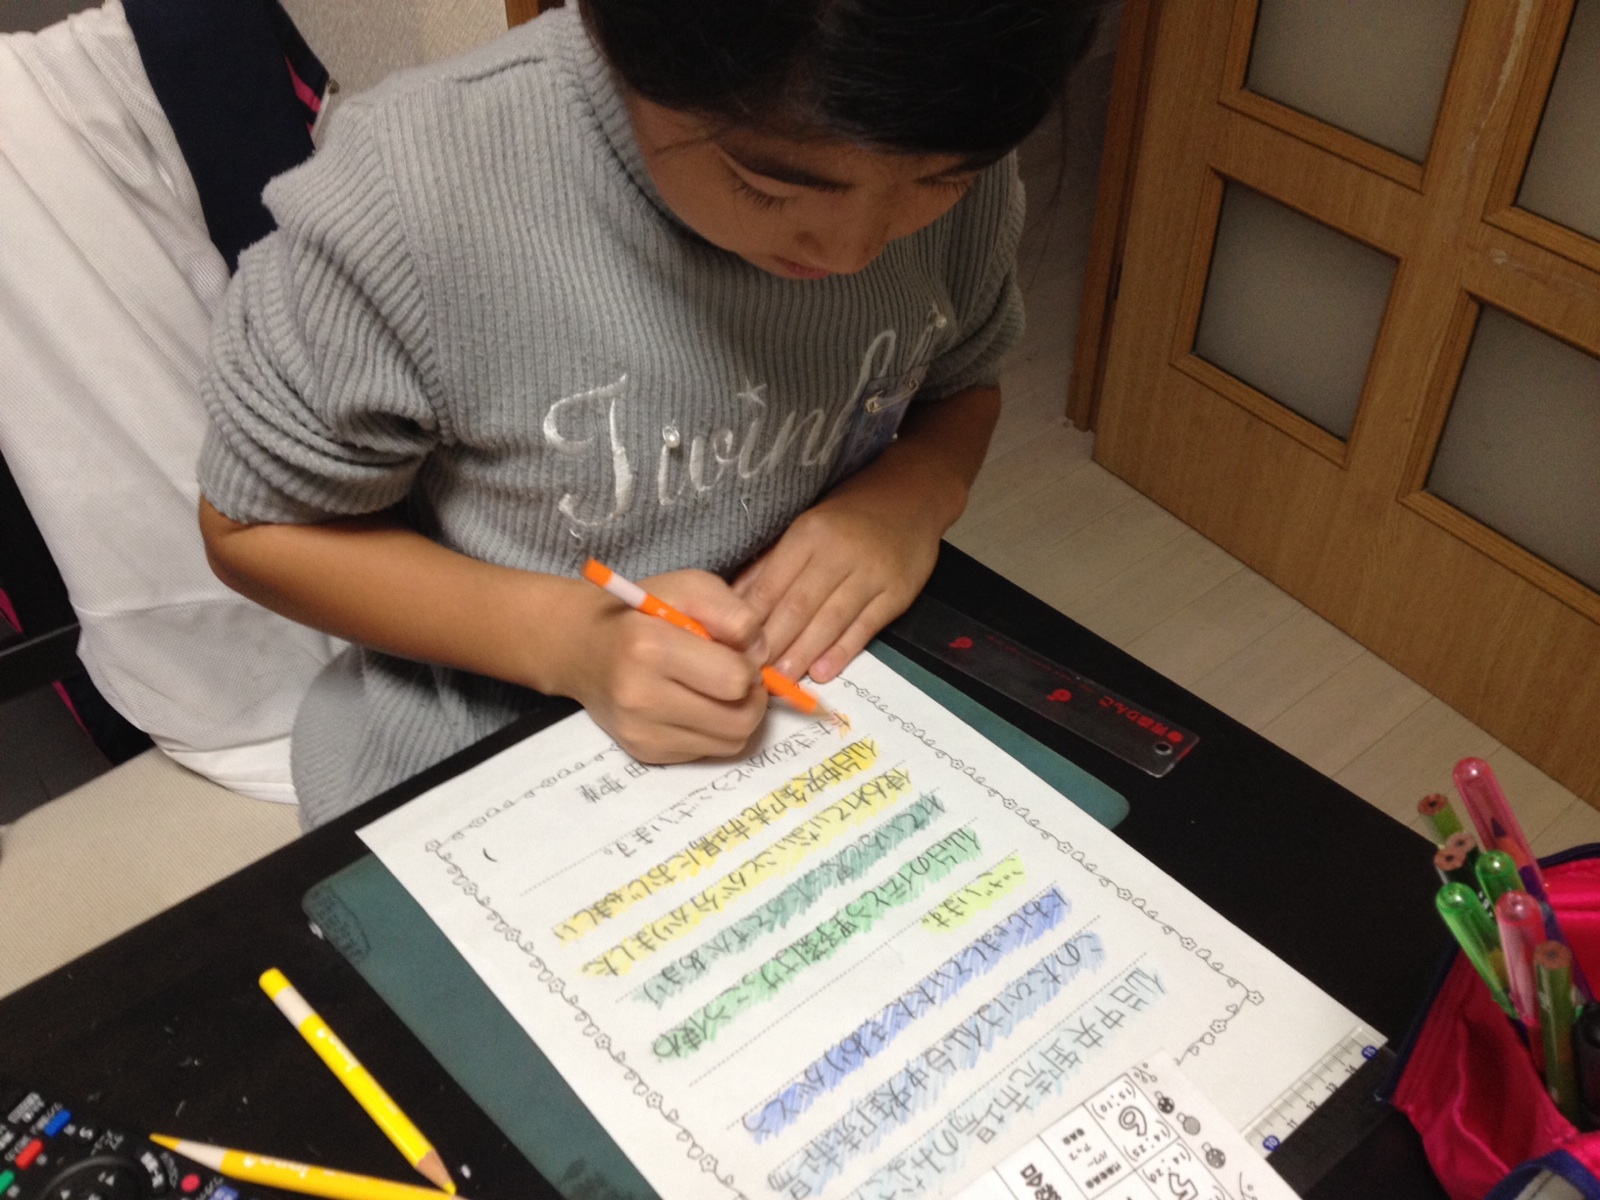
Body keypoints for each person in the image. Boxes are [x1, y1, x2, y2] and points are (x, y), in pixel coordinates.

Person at [197, 0, 1100, 828]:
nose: (856, 248)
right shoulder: (411, 193)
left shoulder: (945, 118)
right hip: (477, 768)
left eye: (943, 184)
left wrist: (909, 496)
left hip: (802, 752)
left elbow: (963, 384)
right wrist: (567, 641)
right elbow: (253, 529)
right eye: (772, 186)